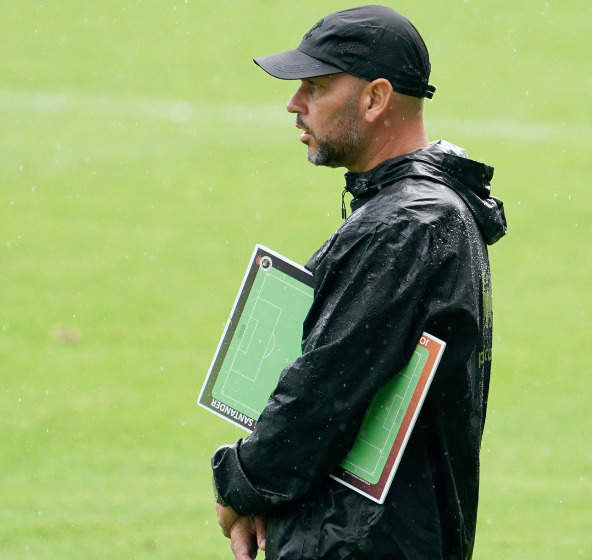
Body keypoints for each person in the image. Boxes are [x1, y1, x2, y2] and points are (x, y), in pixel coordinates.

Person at [211, 5, 507, 559]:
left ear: (374, 99)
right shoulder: (414, 211)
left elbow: (325, 386)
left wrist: (242, 484)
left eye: (316, 87)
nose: (295, 105)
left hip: (362, 543)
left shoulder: (408, 223)